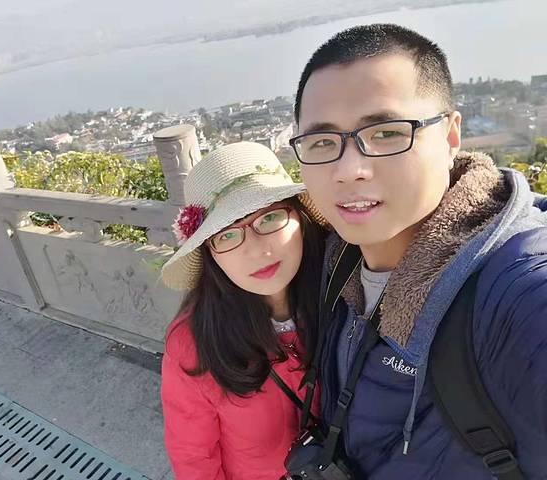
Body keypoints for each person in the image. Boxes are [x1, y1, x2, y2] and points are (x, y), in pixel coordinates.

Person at [290, 23, 547, 478]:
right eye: (322, 142)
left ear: (450, 137)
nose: (349, 169)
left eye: (387, 133)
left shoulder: (517, 291)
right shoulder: (336, 259)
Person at [159, 142, 328, 479]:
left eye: (269, 217)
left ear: (300, 216)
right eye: (227, 235)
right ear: (210, 254)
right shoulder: (194, 343)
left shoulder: (345, 291)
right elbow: (195, 459)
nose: (256, 250)